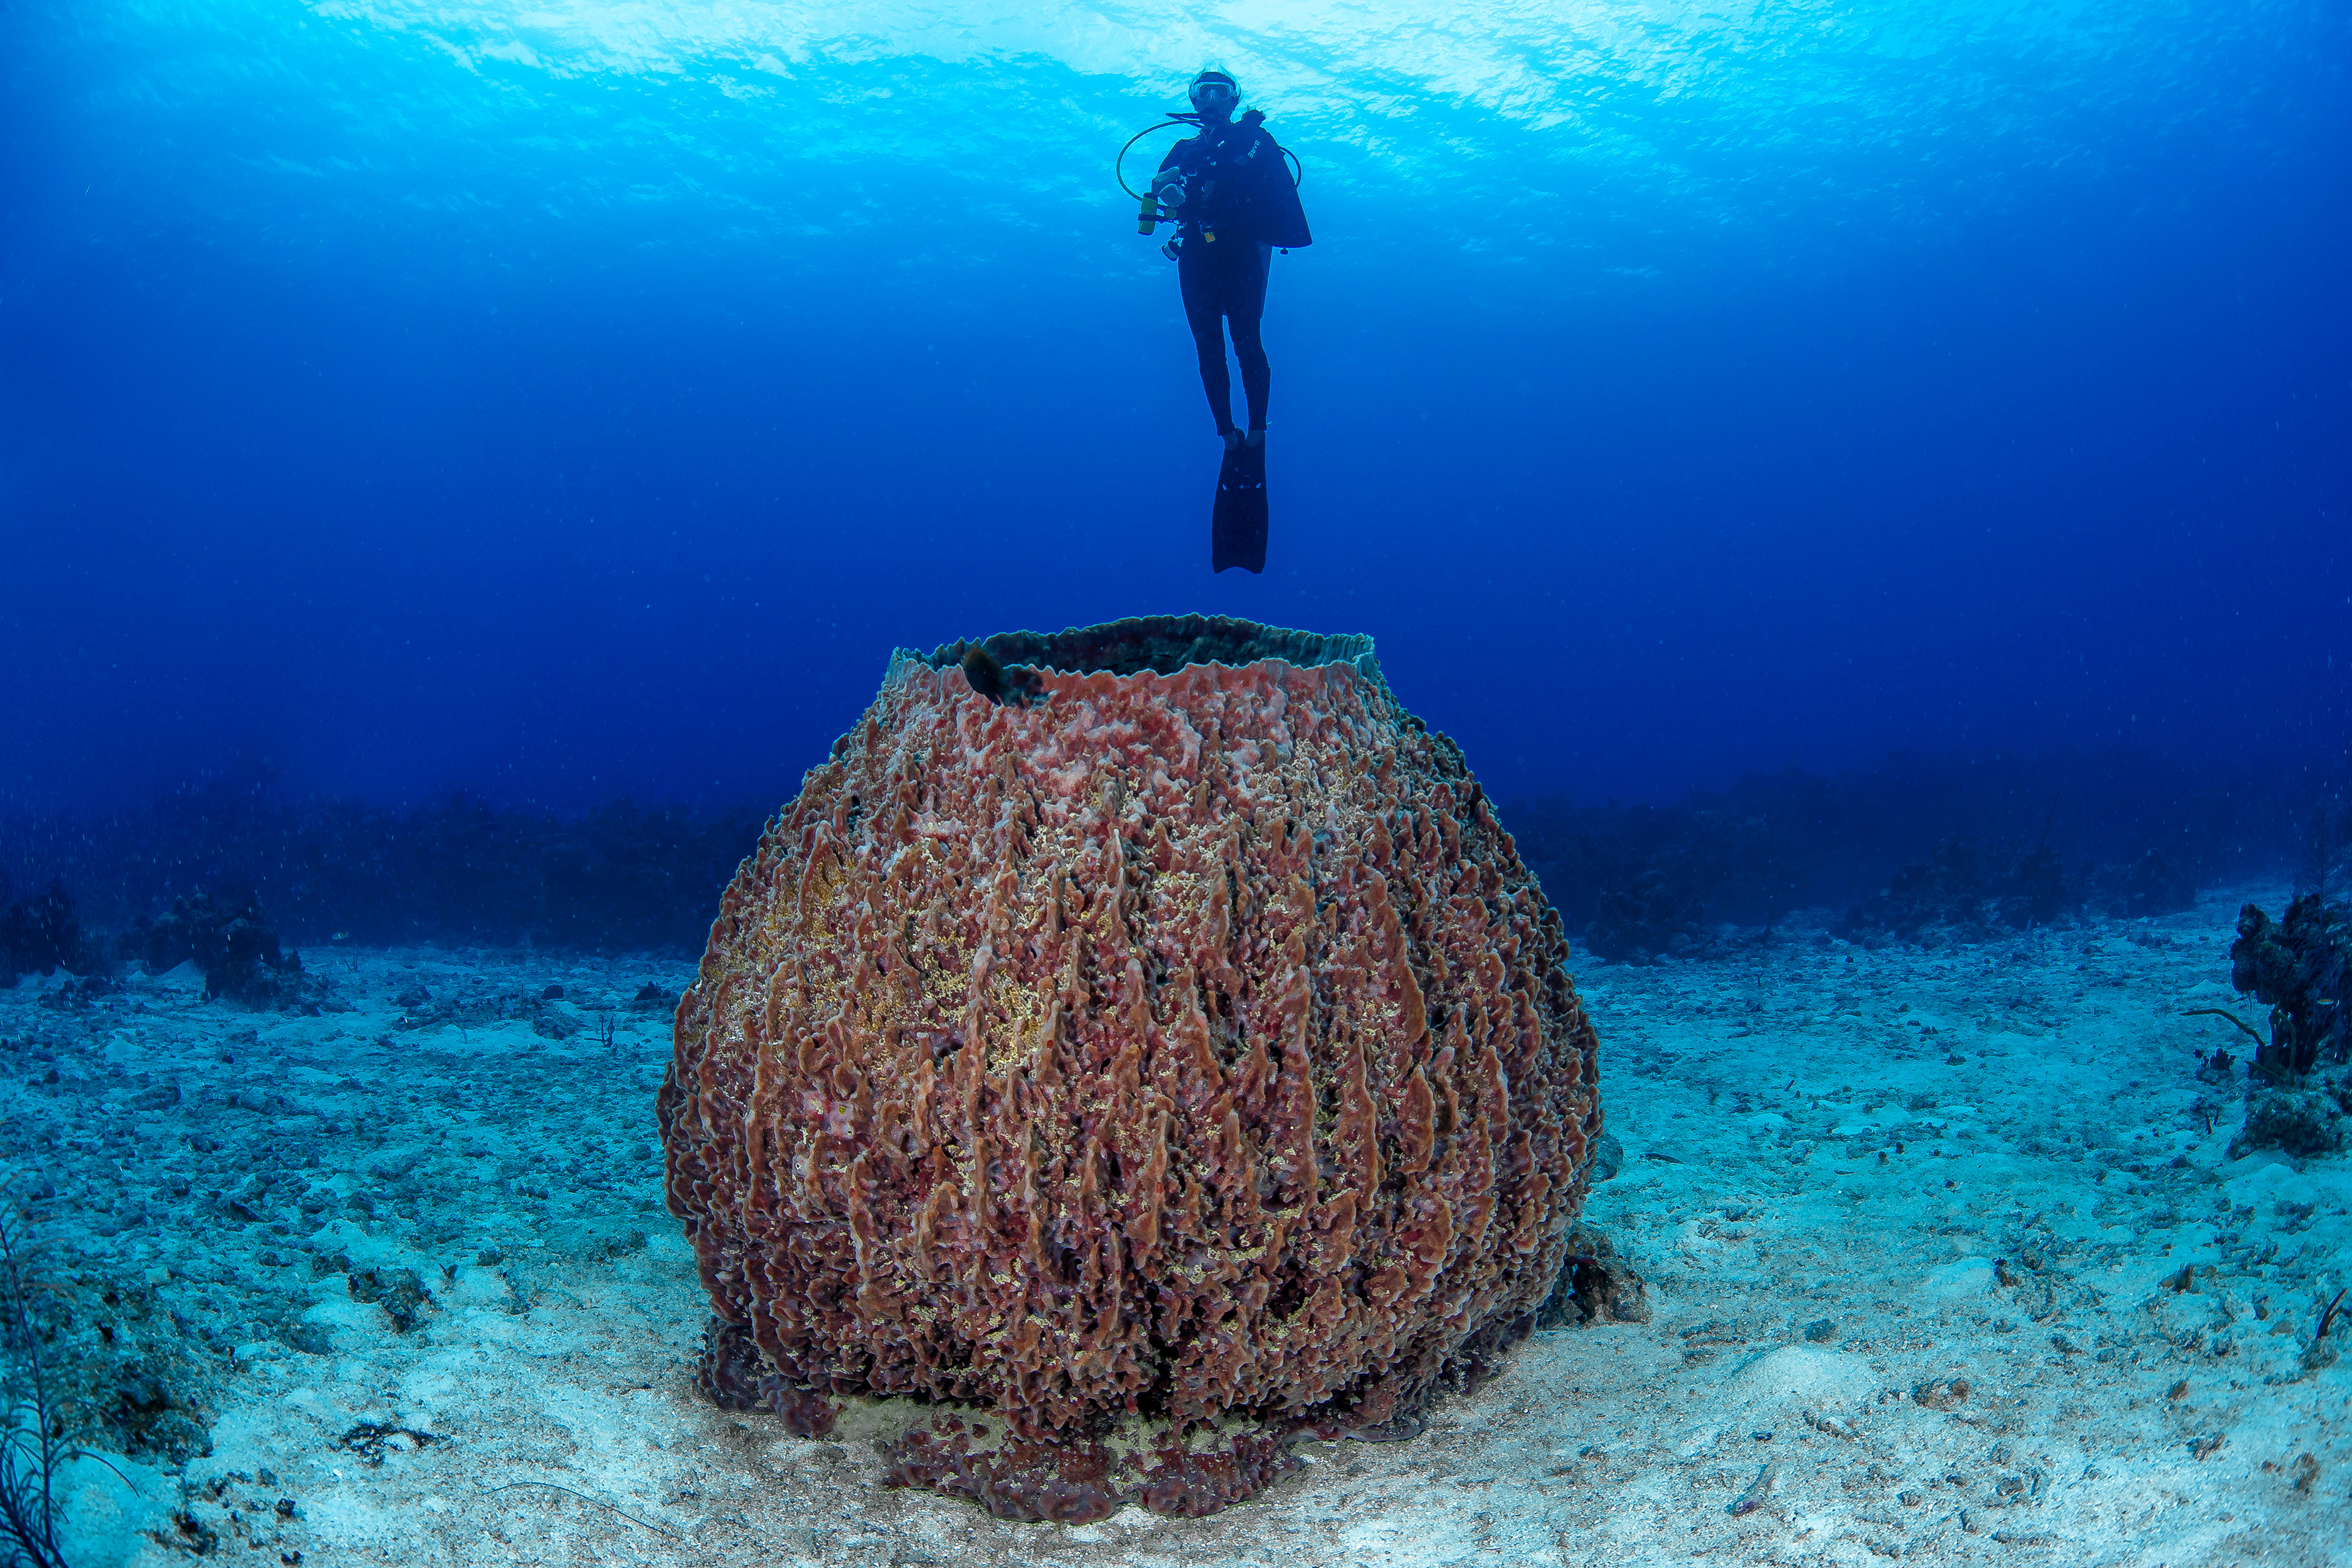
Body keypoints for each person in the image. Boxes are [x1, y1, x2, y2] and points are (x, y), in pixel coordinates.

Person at [1152, 69, 1312, 454]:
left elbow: (1250, 170)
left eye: (1220, 91)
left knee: (1247, 343)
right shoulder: (1181, 149)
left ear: (1233, 100)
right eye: (1202, 91)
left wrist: (1195, 167)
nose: (1210, 97)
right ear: (1193, 100)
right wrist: (1168, 188)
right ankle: (1227, 434)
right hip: (1194, 255)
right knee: (1207, 349)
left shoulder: (1254, 138)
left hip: (1243, 254)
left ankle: (1256, 431)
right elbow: (1160, 189)